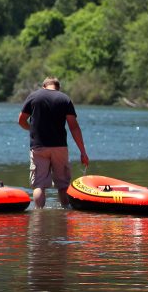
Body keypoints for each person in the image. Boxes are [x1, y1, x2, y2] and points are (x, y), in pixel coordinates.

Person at [18, 76, 89, 208]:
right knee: (63, 185)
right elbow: (74, 127)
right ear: (58, 88)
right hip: (60, 147)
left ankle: (38, 216)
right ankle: (66, 212)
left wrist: (31, 129)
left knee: (39, 185)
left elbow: (21, 120)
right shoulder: (65, 99)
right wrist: (83, 152)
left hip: (39, 146)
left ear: (44, 86)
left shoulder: (34, 97)